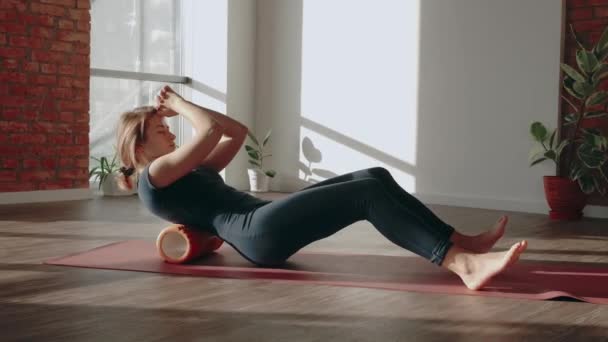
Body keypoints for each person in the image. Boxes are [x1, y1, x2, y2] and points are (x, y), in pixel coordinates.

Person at [116, 85, 527, 291]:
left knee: (374, 176)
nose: (170, 134)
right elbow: (207, 129)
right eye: (161, 129)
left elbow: (235, 132)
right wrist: (182, 104)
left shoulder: (185, 172)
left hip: (261, 220)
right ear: (138, 146)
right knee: (365, 195)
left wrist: (181, 105)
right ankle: (463, 265)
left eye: (169, 127)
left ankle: (459, 241)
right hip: (255, 231)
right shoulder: (155, 177)